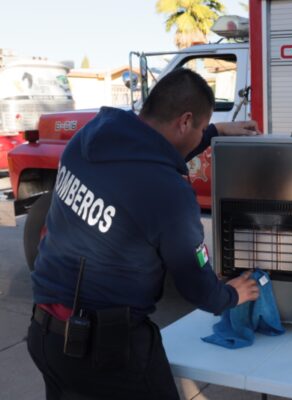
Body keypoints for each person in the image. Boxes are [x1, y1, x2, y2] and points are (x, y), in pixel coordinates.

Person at [27, 68, 260, 400]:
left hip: (45, 337)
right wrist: (232, 295)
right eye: (200, 128)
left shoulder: (90, 136)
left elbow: (148, 149)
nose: (200, 137)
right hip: (108, 352)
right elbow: (195, 284)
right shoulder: (169, 193)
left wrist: (213, 131)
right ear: (185, 121)